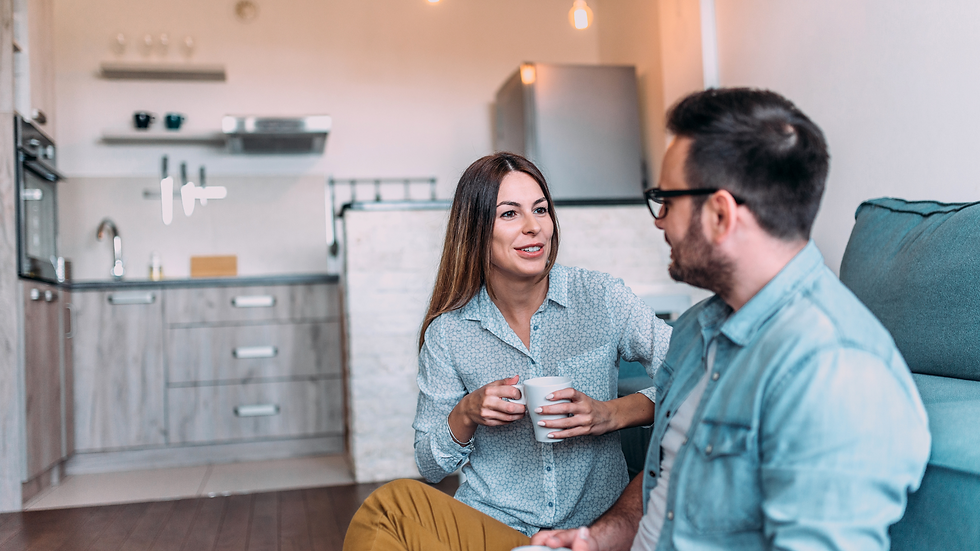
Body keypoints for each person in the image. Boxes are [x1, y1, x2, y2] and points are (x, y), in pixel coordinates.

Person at [532, 88, 931, 551]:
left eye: (667, 201)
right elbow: (670, 477)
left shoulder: (834, 370)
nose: (660, 222)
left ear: (720, 214)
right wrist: (597, 539)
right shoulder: (692, 330)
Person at [343, 153, 673, 551]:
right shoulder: (450, 333)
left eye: (540, 210)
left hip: (592, 535)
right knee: (389, 508)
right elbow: (429, 466)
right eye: (510, 214)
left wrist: (610, 413)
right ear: (477, 230)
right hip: (493, 531)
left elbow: (698, 378)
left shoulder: (601, 298)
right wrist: (466, 413)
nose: (534, 227)